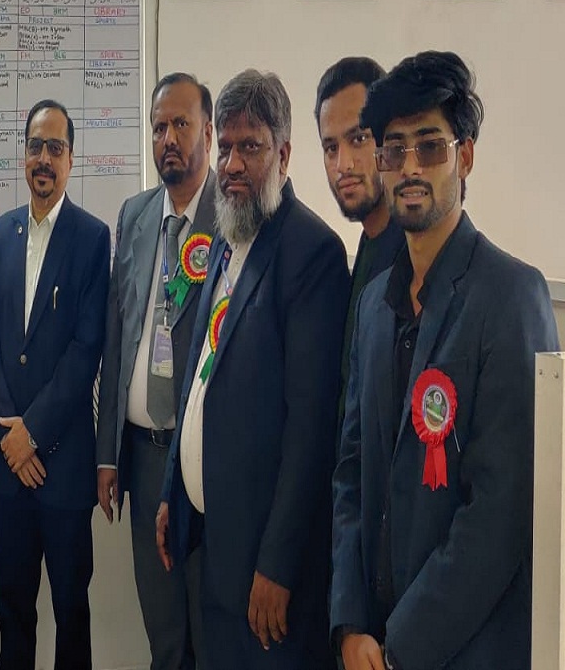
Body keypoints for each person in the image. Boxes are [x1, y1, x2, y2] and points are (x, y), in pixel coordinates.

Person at [330, 51, 559, 670]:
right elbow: (350, 473)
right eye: (394, 149)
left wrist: (400, 648)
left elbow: (502, 512)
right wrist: (350, 625)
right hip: (369, 644)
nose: (409, 167)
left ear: (466, 156)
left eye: (430, 147)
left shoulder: (512, 296)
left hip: (464, 649)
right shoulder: (375, 304)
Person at [157, 70, 349, 670]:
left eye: (251, 147)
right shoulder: (224, 238)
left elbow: (311, 429)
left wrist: (277, 564)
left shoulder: (312, 253)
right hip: (212, 543)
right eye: (226, 148)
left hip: (264, 567)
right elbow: (199, 376)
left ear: (284, 155)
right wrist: (171, 489)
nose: (233, 165)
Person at [0, 98, 109, 670]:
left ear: (70, 159)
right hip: (10, 472)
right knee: (12, 611)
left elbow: (86, 350)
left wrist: (31, 433)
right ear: (24, 154)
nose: (43, 158)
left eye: (55, 148)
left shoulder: (92, 238)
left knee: (70, 613)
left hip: (62, 467)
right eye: (35, 146)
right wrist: (10, 438)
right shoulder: (0, 233)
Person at [97, 73, 215, 670]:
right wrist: (107, 455)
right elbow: (117, 337)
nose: (168, 138)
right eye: (159, 126)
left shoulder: (231, 215)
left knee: (210, 632)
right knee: (164, 634)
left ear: (208, 133)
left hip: (204, 461)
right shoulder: (136, 214)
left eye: (181, 124)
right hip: (143, 459)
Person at [314, 56, 404, 406]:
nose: (343, 165)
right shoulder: (368, 243)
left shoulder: (415, 257)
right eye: (331, 148)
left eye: (358, 138)